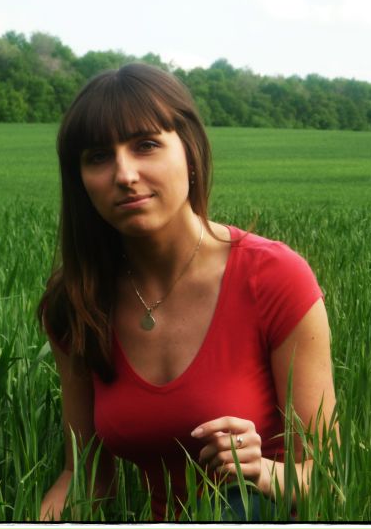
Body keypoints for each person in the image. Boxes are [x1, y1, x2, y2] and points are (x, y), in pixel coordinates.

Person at [38, 63, 337, 521]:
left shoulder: (274, 278)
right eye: (98, 157)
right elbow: (86, 479)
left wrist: (261, 471)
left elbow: (330, 482)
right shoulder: (77, 301)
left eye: (146, 145)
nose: (125, 174)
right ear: (80, 180)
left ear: (190, 151)